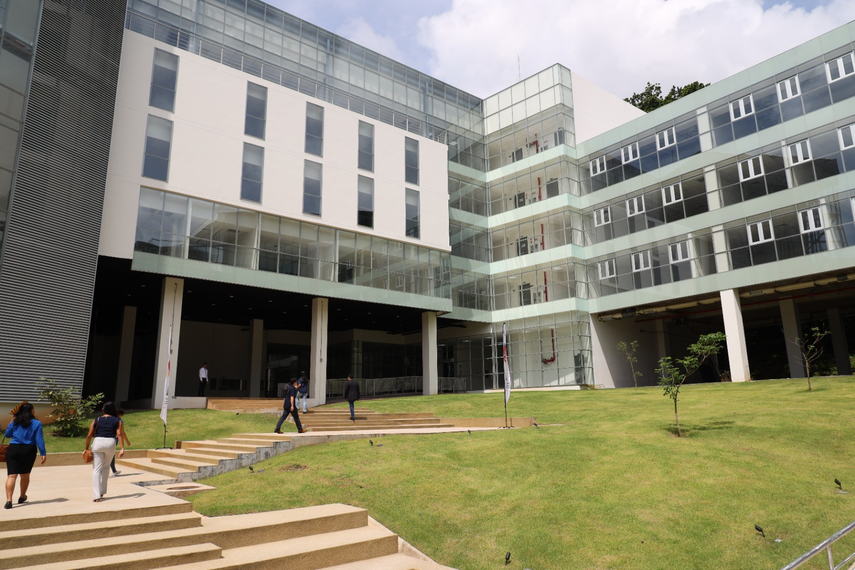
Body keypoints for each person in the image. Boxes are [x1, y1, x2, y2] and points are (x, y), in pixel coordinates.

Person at [3, 403, 46, 509]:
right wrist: (43, 453)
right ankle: (22, 497)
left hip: (14, 449)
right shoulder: (37, 423)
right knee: (25, 475)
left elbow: (7, 434)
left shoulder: (16, 421)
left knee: (11, 476)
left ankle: (9, 500)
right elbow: (39, 439)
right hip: (28, 450)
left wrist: (11, 421)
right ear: (32, 411)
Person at [84, 402, 127, 502]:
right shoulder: (117, 420)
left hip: (98, 442)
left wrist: (86, 448)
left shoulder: (97, 419)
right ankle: (102, 490)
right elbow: (119, 434)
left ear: (103, 409)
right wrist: (122, 448)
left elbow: (89, 435)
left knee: (96, 469)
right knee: (106, 467)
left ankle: (96, 495)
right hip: (110, 443)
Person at [109, 409, 131, 477]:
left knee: (110, 455)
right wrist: (127, 441)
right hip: (114, 439)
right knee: (111, 455)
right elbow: (121, 432)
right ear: (120, 414)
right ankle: (113, 470)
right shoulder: (119, 421)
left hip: (104, 438)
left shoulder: (109, 419)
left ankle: (113, 470)